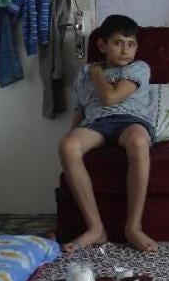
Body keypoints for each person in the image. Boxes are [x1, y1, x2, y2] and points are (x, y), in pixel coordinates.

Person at [58, 15, 157, 253]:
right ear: (102, 45)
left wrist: (96, 74)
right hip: (96, 124)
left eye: (131, 44)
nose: (125, 50)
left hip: (130, 121)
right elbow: (80, 110)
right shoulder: (83, 73)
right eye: (118, 43)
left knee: (138, 140)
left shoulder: (139, 68)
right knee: (67, 145)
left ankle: (133, 227)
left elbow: (111, 97)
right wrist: (73, 137)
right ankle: (96, 229)